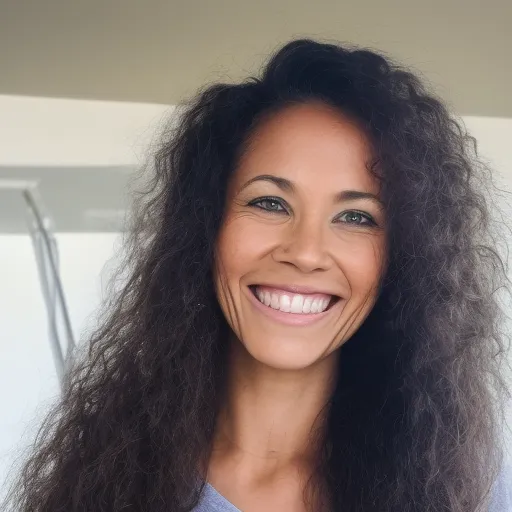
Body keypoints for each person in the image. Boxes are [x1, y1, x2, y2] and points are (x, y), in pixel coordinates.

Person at [3, 39, 511, 512]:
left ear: (402, 258)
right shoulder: (101, 481)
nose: (307, 252)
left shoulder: (473, 488)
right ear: (206, 228)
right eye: (269, 202)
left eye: (357, 217)